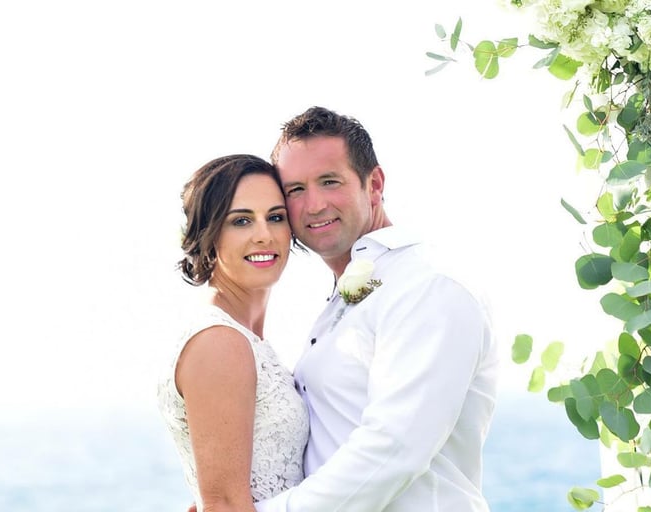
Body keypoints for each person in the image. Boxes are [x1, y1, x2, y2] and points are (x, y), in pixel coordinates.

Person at [251, 106, 500, 511]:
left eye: (329, 182)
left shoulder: (428, 286)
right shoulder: (357, 289)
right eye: (295, 190)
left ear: (374, 184)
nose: (313, 205)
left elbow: (394, 448)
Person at [156, 154, 309, 511]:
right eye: (241, 221)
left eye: (276, 217)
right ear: (208, 234)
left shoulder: (243, 339)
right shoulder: (219, 342)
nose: (264, 235)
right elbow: (224, 504)